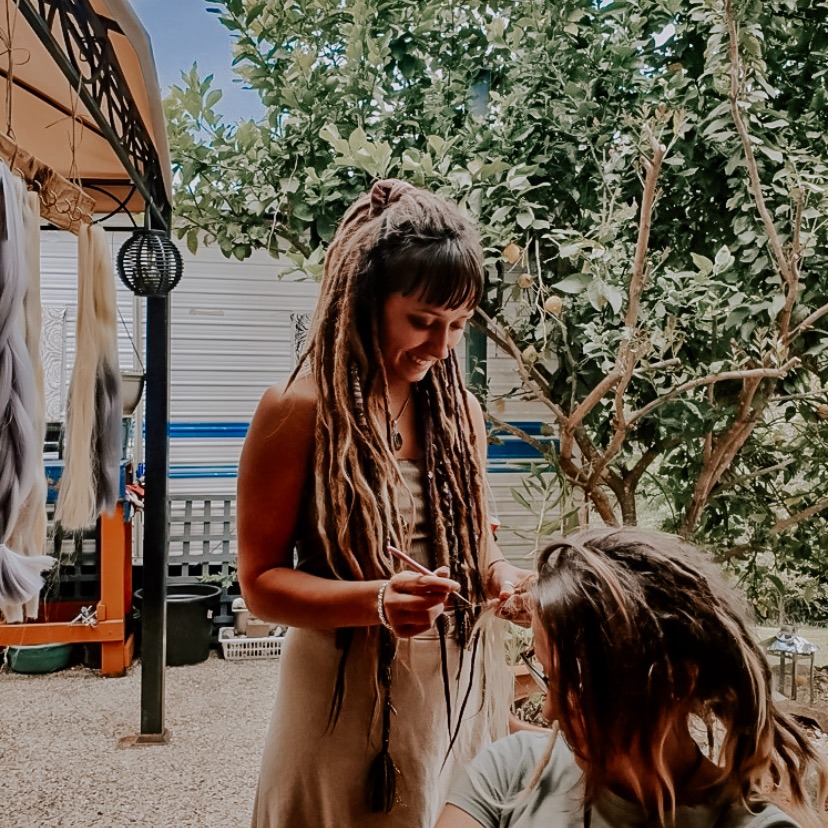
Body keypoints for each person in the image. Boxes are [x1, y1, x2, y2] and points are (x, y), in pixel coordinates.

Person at [237, 178, 532, 827]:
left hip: (456, 700)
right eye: (423, 322)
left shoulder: (462, 415)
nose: (442, 346)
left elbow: (477, 551)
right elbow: (259, 584)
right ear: (366, 299)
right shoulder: (296, 410)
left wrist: (505, 582)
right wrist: (373, 602)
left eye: (457, 325)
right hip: (342, 710)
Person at [438, 527, 828, 828]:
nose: (549, 711)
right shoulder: (510, 772)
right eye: (547, 677)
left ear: (675, 684)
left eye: (573, 686)